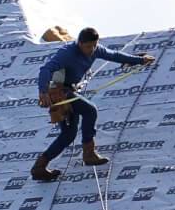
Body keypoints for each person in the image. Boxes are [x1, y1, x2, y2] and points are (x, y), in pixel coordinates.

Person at [31, 28, 156, 182]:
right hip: (59, 93)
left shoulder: (95, 50)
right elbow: (46, 69)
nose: (92, 50)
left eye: (95, 45)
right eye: (89, 46)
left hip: (69, 91)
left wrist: (140, 60)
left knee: (68, 135)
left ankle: (39, 167)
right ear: (80, 43)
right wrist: (42, 92)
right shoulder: (67, 53)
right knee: (90, 111)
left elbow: (114, 55)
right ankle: (89, 154)